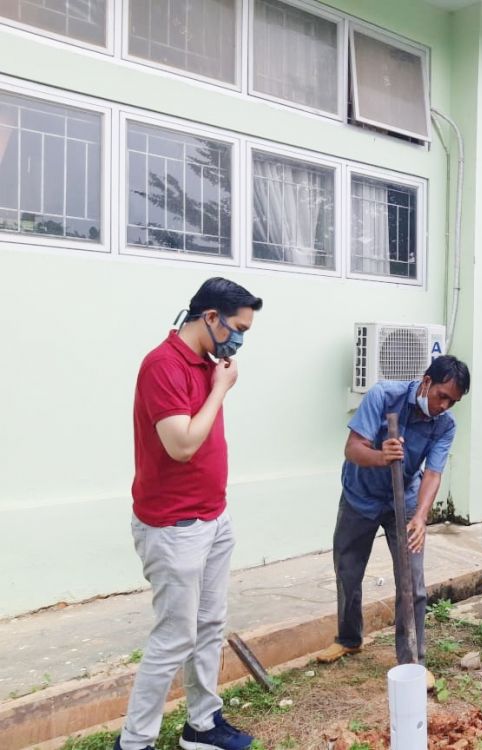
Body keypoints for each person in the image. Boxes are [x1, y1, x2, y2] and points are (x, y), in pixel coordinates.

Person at [117, 278, 263, 750]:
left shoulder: (205, 362)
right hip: (174, 526)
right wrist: (221, 389)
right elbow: (181, 445)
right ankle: (134, 742)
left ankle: (201, 725)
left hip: (212, 517)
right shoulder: (163, 365)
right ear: (211, 318)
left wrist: (216, 379)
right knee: (173, 638)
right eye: (238, 327)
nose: (241, 339)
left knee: (209, 626)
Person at [316, 355, 471, 685]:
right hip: (360, 495)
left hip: (405, 501)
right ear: (426, 381)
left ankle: (412, 659)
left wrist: (420, 516)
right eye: (442, 395)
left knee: (412, 582)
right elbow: (353, 448)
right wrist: (380, 456)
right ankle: (349, 639)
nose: (444, 405)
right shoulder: (384, 395)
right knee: (347, 570)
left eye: (452, 401)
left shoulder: (445, 425)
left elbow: (433, 473)